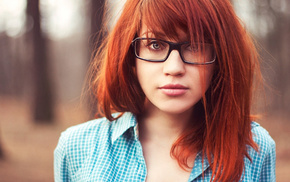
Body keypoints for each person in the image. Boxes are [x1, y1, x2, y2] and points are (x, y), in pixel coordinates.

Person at [54, 0, 276, 181]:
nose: (174, 68)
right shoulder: (77, 147)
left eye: (195, 46)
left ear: (220, 58)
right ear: (131, 53)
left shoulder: (254, 148)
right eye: (155, 45)